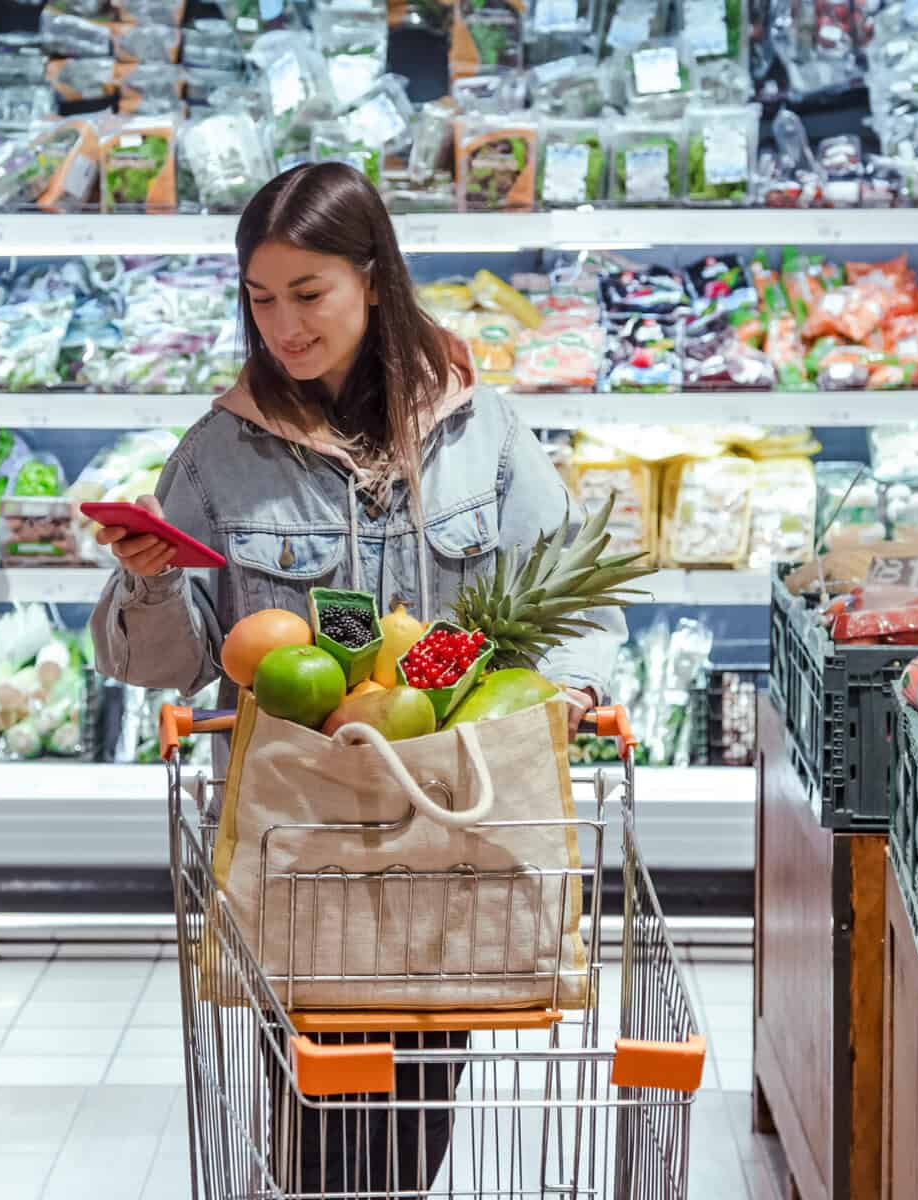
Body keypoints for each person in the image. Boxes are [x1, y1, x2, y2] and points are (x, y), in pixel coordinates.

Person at [88, 161, 624, 1194]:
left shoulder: (481, 431)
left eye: (308, 293)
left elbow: (569, 585)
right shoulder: (219, 454)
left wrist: (573, 691)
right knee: (319, 1100)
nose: (283, 327)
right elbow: (165, 665)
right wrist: (147, 580)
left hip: (446, 821)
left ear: (373, 278)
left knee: (419, 1097)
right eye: (260, 299)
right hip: (299, 831)